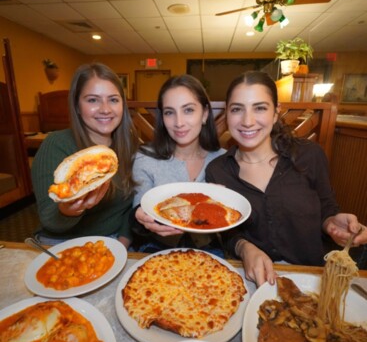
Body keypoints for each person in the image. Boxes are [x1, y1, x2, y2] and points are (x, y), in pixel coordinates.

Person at [205, 71, 367, 286]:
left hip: (310, 279)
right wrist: (244, 247)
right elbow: (226, 233)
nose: (247, 121)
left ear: (275, 113)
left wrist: (331, 223)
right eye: (237, 109)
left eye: (260, 108)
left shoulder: (309, 155)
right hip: (252, 281)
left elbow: (327, 208)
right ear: (227, 114)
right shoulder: (218, 170)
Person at [31, 63, 139, 248]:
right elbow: (49, 220)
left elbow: (131, 208)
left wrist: (122, 243)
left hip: (112, 242)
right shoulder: (56, 144)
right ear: (77, 106)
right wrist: (69, 211)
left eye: (113, 99)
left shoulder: (131, 145)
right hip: (62, 243)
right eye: (92, 100)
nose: (105, 109)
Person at [131, 74, 225, 252]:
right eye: (169, 112)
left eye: (188, 110)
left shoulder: (223, 160)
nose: (179, 122)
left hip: (210, 251)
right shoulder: (144, 158)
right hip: (155, 247)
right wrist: (139, 217)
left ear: (204, 114)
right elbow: (139, 206)